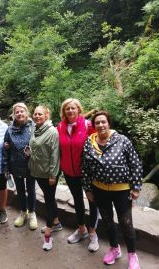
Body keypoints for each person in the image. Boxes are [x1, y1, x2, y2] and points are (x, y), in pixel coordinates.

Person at [82, 111, 142, 269]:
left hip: (121, 190)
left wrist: (136, 187)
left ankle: (132, 254)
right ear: (93, 126)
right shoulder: (89, 143)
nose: (101, 125)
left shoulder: (122, 140)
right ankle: (115, 249)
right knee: (108, 222)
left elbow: (135, 163)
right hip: (99, 190)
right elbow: (85, 169)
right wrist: (88, 189)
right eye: (97, 123)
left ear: (109, 123)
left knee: (126, 223)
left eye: (103, 122)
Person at [57, 98, 99, 252]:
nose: (70, 111)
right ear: (64, 111)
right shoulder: (60, 126)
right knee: (77, 200)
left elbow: (100, 144)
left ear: (79, 110)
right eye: (67, 108)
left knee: (92, 200)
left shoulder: (88, 125)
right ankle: (82, 229)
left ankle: (93, 233)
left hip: (87, 173)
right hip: (69, 171)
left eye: (73, 108)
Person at [28, 105, 60, 251]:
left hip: (49, 174)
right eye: (35, 114)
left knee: (48, 201)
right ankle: (57, 223)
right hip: (38, 172)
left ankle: (48, 234)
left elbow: (55, 155)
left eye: (40, 114)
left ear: (47, 115)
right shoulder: (36, 129)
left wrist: (53, 175)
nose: (37, 116)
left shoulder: (52, 132)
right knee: (50, 198)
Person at [3, 103, 37, 230]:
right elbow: (5, 149)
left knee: (31, 189)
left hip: (30, 165)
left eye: (22, 111)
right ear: (14, 115)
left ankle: (32, 213)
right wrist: (6, 167)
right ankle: (23, 212)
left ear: (26, 113)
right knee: (20, 190)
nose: (20, 114)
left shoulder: (33, 127)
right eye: (17, 112)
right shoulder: (9, 130)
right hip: (15, 164)